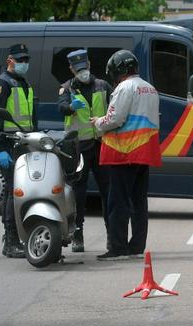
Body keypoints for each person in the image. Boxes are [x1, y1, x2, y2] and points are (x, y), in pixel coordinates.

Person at [92, 50, 161, 261]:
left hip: (125, 151)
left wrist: (97, 122)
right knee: (138, 202)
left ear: (119, 70)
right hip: (145, 151)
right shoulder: (150, 89)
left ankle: (118, 246)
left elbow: (115, 119)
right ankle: (137, 245)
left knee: (118, 201)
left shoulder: (124, 88)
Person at [57, 49, 113, 253]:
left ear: (89, 63)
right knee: (78, 195)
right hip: (79, 148)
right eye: (78, 69)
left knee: (108, 192)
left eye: (85, 67)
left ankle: (111, 235)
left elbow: (114, 108)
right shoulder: (66, 89)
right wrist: (71, 107)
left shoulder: (103, 86)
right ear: (72, 69)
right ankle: (77, 234)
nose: (83, 72)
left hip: (101, 145)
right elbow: (61, 108)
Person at [0, 43, 38, 258]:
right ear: (10, 60)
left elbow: (30, 118)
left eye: (26, 60)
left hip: (24, 144)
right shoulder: (2, 84)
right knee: (12, 191)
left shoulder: (24, 83)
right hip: (8, 145)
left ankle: (19, 236)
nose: (24, 63)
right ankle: (10, 240)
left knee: (24, 191)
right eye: (20, 60)